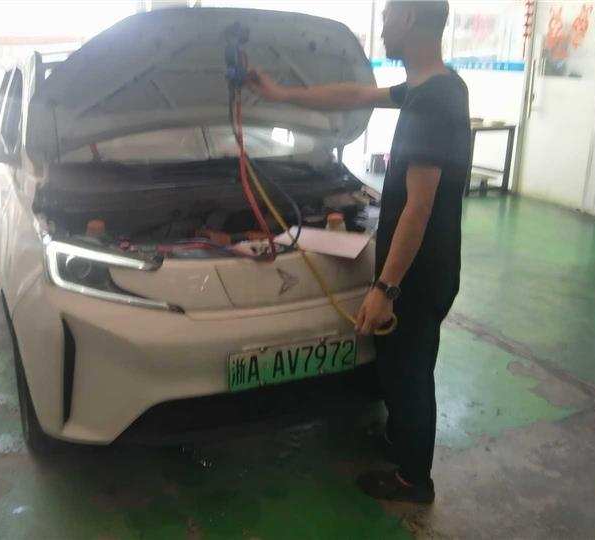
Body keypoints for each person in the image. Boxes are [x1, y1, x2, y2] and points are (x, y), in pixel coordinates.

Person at [246, 0, 470, 503]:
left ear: (408, 18)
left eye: (387, 16)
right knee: (398, 363)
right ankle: (398, 440)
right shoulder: (433, 88)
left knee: (410, 372)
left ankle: (413, 480)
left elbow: (418, 208)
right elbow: (354, 94)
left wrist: (385, 288)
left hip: (418, 272)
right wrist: (281, 93)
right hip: (426, 265)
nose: (383, 27)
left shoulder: (432, 101)